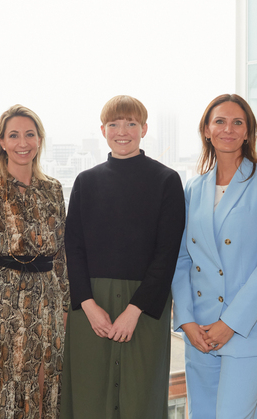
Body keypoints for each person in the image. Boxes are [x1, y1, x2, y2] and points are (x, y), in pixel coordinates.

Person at [60, 95, 185, 419]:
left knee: (141, 396)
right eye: (114, 124)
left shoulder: (167, 180)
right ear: (103, 130)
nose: (122, 131)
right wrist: (87, 304)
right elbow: (72, 247)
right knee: (88, 395)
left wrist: (134, 311)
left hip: (144, 305)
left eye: (131, 123)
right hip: (90, 306)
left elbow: (167, 252)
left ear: (144, 128)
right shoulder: (85, 182)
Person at [171, 94, 257, 419]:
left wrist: (230, 324)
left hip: (247, 328)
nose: (229, 129)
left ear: (248, 132)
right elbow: (183, 258)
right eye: (220, 121)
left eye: (238, 122)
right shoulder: (193, 188)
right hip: (201, 330)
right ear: (207, 131)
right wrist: (186, 320)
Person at [0, 104, 69, 419]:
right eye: (14, 135)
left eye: (29, 134)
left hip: (47, 301)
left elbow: (61, 254)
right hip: (4, 303)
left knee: (42, 384)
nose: (22, 142)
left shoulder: (53, 189)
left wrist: (64, 307)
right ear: (2, 143)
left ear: (39, 140)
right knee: (1, 388)